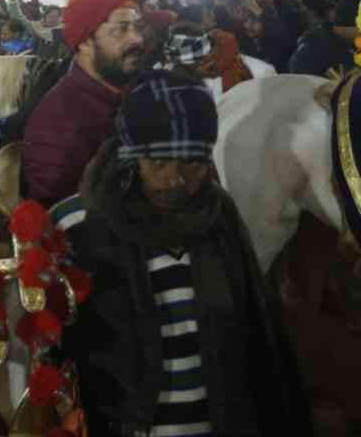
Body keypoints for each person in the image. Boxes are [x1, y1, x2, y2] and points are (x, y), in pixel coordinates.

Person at [51, 70, 311, 436]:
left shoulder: (218, 216)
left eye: (192, 163)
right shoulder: (77, 226)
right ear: (130, 158)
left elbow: (258, 329)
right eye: (158, 164)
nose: (175, 180)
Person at [23, 0, 143, 206]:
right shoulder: (60, 126)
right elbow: (64, 222)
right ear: (85, 43)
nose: (137, 38)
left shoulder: (128, 91)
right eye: (121, 30)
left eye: (137, 27)